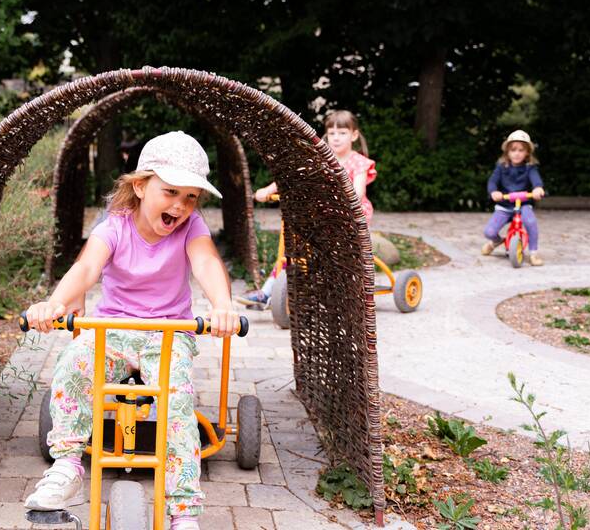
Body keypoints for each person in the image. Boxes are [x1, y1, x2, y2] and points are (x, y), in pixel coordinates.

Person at [23, 131, 241, 530]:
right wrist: (55, 304)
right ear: (140, 186)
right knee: (73, 364)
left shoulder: (191, 228)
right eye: (171, 191)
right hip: (114, 328)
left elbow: (207, 263)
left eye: (191, 197)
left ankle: (184, 511)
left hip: (170, 333)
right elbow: (87, 268)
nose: (180, 205)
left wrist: (223, 307)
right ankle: (68, 465)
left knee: (176, 404)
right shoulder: (115, 227)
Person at [237, 110, 376, 308]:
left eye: (342, 133)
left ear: (354, 135)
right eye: (332, 133)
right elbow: (294, 174)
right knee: (292, 248)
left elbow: (358, 193)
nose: (336, 138)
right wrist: (268, 190)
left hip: (349, 218)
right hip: (322, 215)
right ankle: (267, 291)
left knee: (332, 255)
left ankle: (336, 290)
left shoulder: (358, 162)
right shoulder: (321, 158)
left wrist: (338, 199)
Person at [481, 129, 546, 266]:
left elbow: (536, 180)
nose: (517, 153)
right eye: (513, 150)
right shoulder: (501, 167)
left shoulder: (530, 167)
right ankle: (496, 241)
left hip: (523, 204)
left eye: (521, 150)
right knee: (489, 231)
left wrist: (537, 188)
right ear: (507, 152)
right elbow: (493, 181)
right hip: (504, 205)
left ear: (527, 152)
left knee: (530, 222)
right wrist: (494, 192)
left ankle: (533, 252)